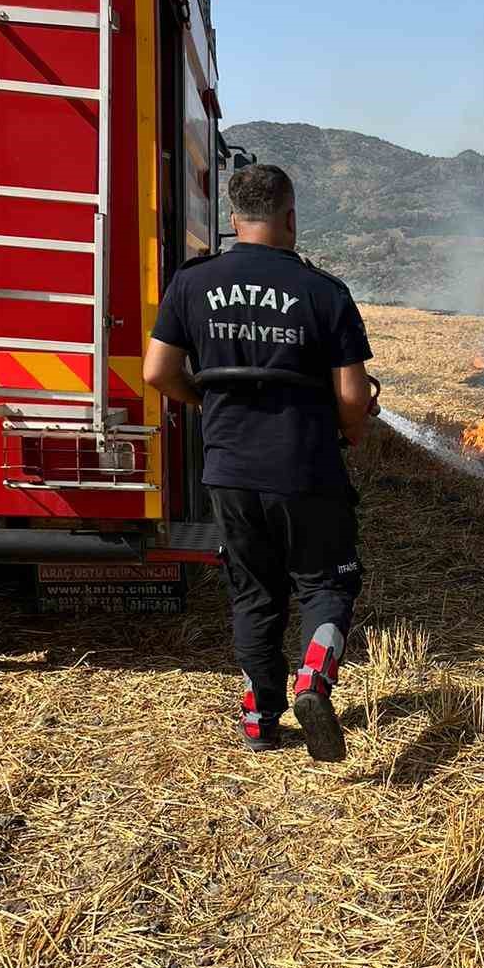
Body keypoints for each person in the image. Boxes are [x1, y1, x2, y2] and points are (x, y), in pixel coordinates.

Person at [143, 163, 376, 761]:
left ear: (233, 217)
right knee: (327, 583)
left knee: (253, 592)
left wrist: (204, 403)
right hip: (306, 469)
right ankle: (313, 679)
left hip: (230, 471)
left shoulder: (192, 284)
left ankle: (258, 718)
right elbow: (352, 396)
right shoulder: (325, 292)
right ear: (291, 218)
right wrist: (352, 433)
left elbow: (157, 373)